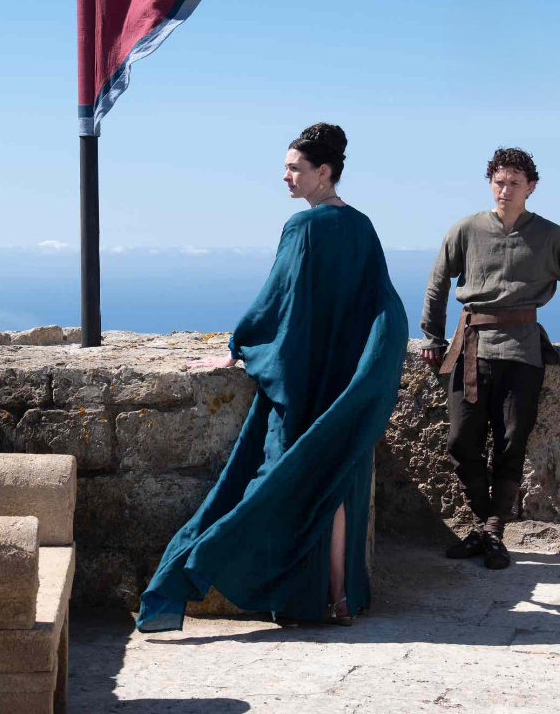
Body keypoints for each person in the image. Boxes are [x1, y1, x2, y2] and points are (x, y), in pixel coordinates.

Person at [136, 123, 409, 632]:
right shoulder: (363, 226)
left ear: (322, 172)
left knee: (278, 481)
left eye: (294, 168)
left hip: (304, 378)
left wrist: (237, 348)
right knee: (333, 481)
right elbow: (382, 305)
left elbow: (276, 303)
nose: (285, 177)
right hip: (345, 378)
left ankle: (199, 567)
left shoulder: (303, 228)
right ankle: (339, 597)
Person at [420, 147, 560, 570]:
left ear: (530, 187)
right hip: (470, 349)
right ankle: (485, 526)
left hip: (522, 352)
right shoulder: (466, 229)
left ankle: (492, 530)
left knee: (511, 442)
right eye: (499, 182)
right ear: (490, 184)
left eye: (515, 183)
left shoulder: (552, 236)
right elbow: (437, 284)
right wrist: (431, 336)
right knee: (460, 441)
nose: (505, 190)